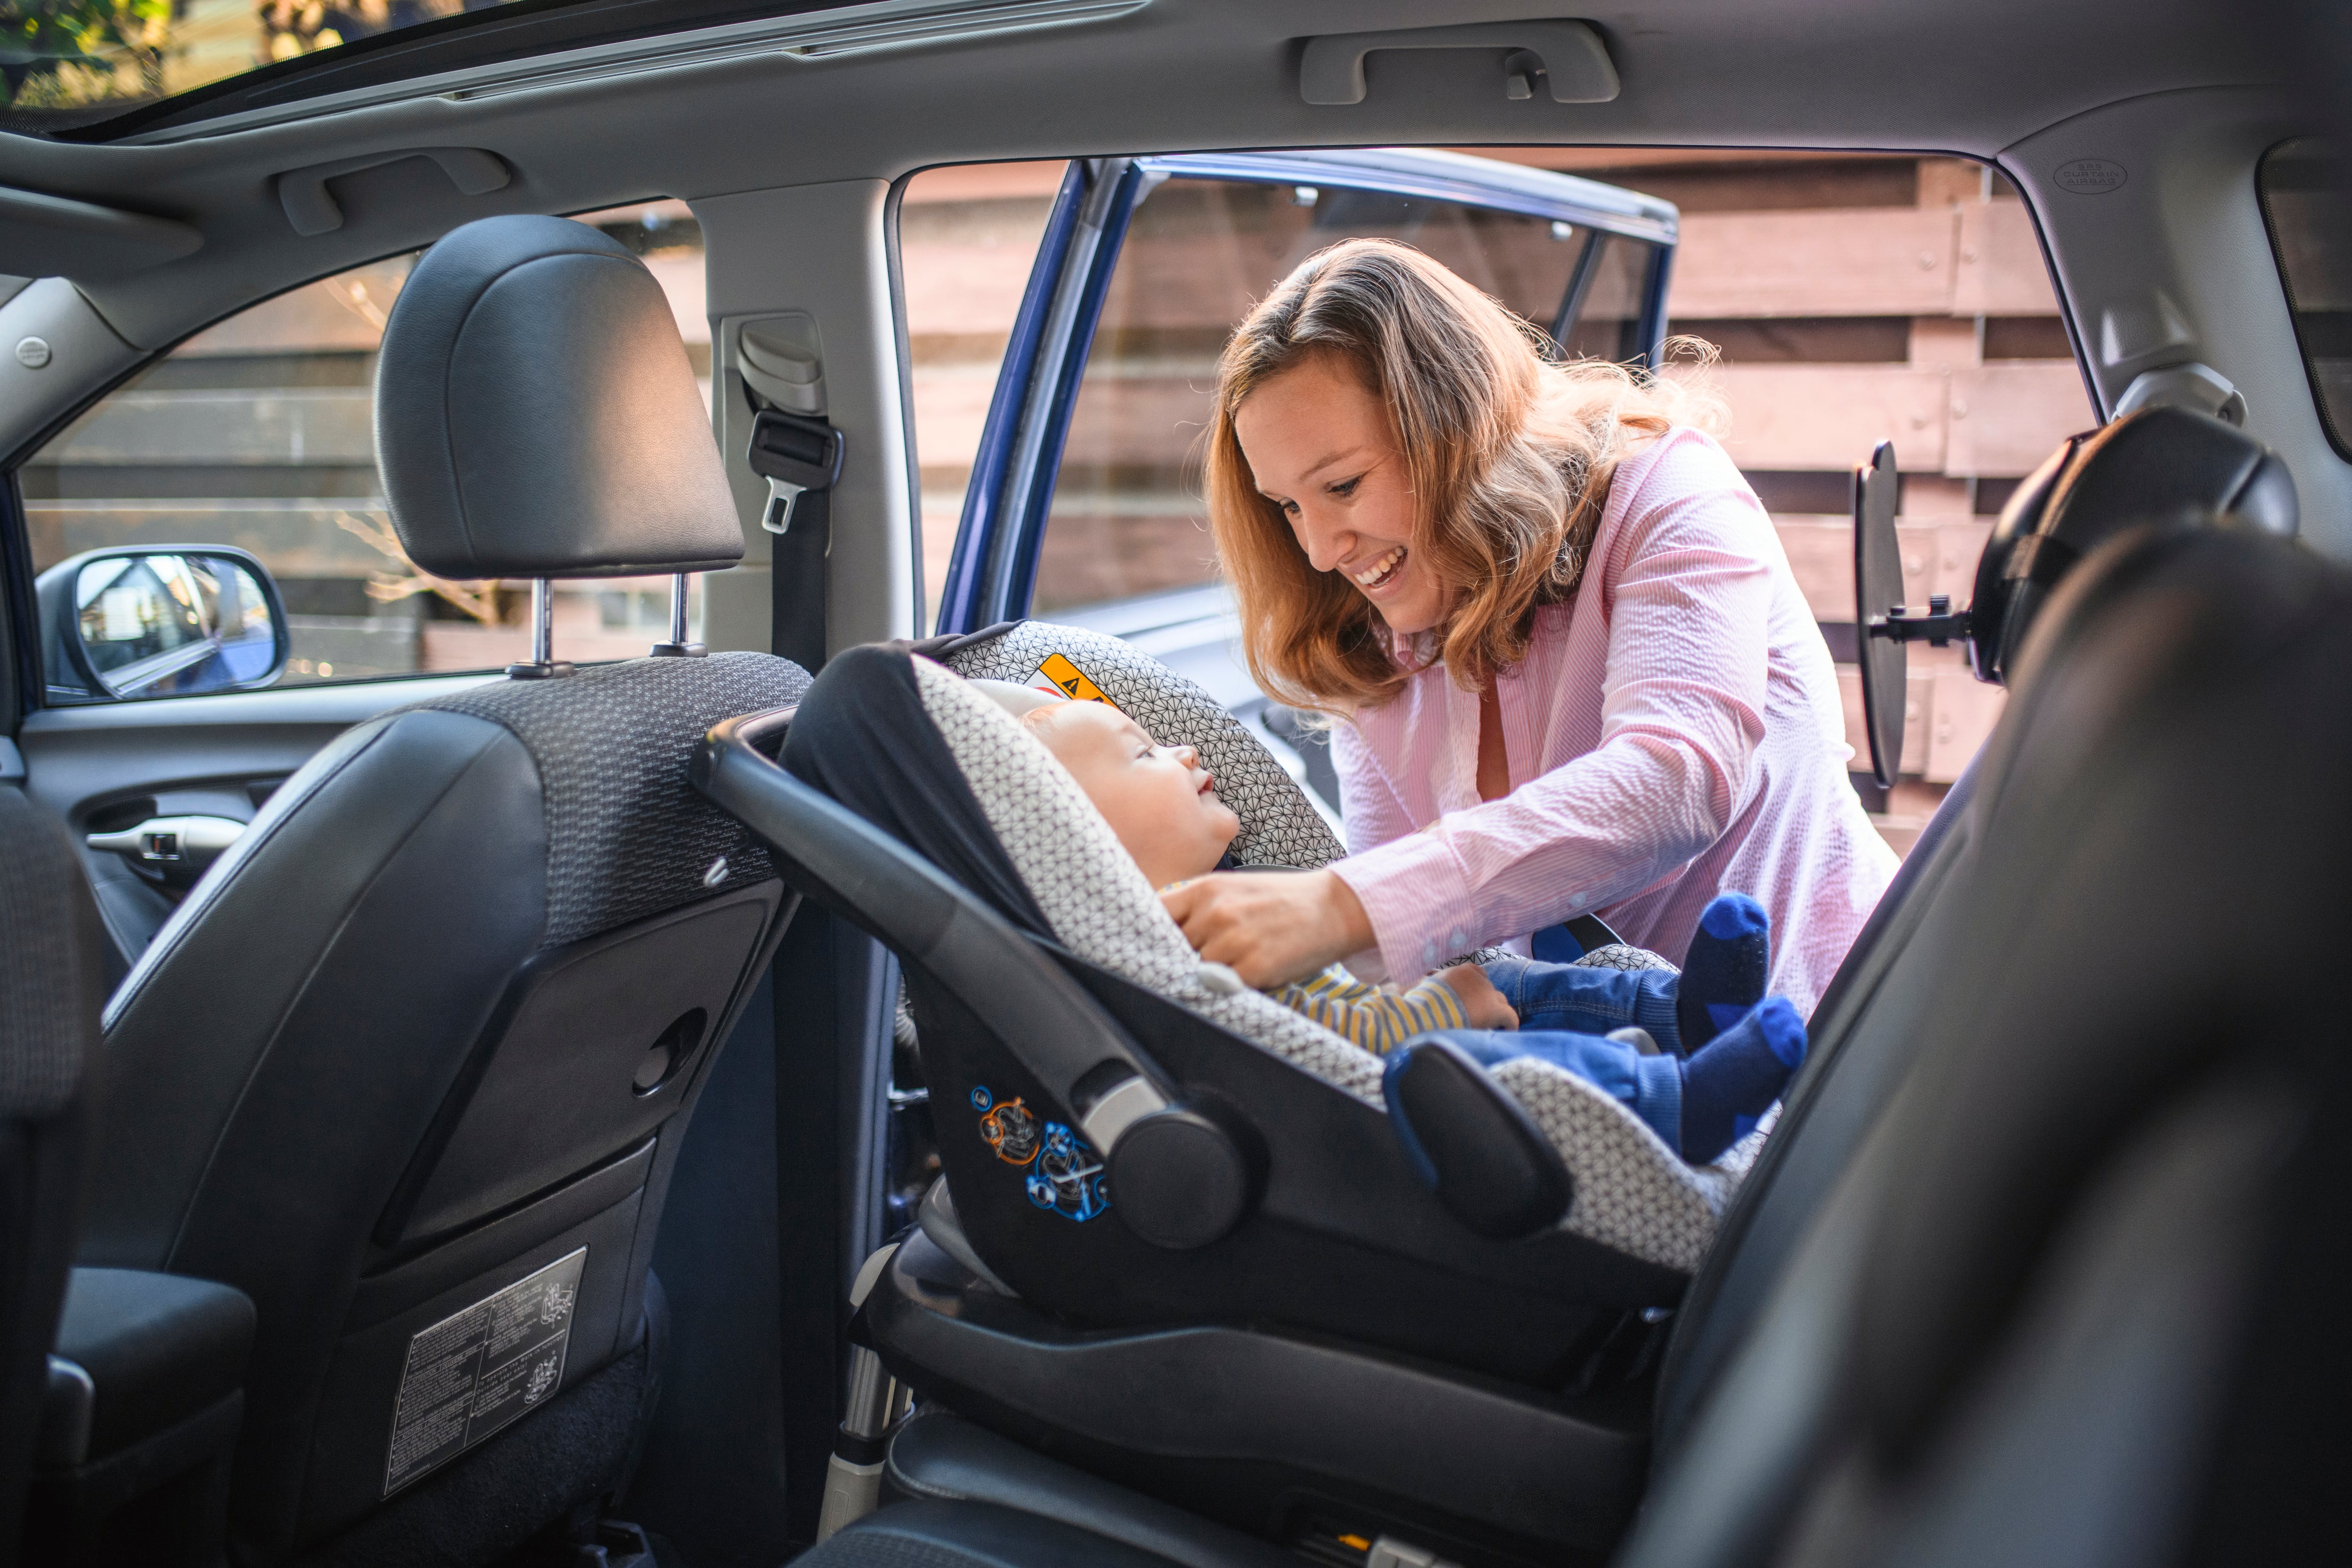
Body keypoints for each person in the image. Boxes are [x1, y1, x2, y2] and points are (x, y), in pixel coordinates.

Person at [1160, 239, 1896, 1020]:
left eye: (1343, 485)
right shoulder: (1375, 645)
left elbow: (1675, 779)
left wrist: (1342, 906)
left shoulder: (1671, 497)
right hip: (1617, 1095)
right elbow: (1418, 952)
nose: (1317, 549)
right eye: (1289, 506)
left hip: (1842, 1047)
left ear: (1458, 431)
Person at [1020, 696, 1804, 1164]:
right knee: (1486, 1048)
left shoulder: (1213, 900)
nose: (1184, 748)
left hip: (1395, 1024)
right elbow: (1317, 1044)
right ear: (1085, 833)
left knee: (1508, 982)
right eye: (1146, 753)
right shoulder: (1169, 939)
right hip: (1382, 1089)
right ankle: (1677, 1104)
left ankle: (1675, 1013)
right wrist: (1441, 1007)